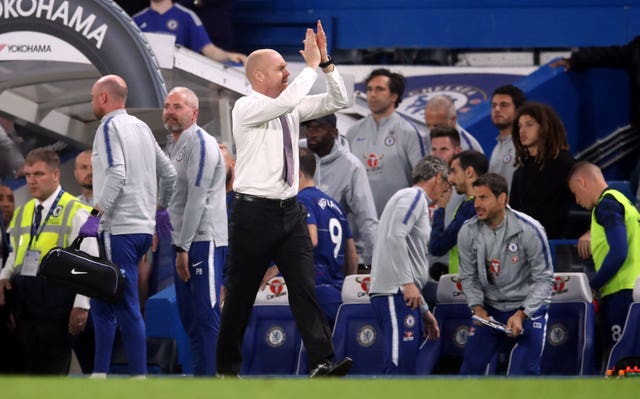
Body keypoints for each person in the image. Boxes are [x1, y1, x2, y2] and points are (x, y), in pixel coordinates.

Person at [217, 20, 352, 377]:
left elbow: (341, 99)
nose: (288, 72)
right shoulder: (246, 107)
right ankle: (226, 371)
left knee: (304, 288)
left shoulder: (290, 106)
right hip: (252, 214)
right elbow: (289, 100)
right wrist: (309, 68)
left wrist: (325, 64)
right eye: (280, 68)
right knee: (241, 296)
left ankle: (322, 361)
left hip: (290, 211)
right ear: (259, 77)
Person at [83, 74, 176, 377]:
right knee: (102, 296)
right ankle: (99, 374)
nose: (93, 102)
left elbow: (117, 174)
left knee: (124, 301)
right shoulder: (142, 127)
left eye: (93, 97)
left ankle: (138, 378)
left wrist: (95, 215)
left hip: (118, 228)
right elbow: (170, 173)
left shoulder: (108, 127)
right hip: (141, 230)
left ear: (104, 98)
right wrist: (158, 209)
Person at [0, 148, 95, 374]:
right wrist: (3, 276)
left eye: (39, 174)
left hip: (57, 300)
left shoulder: (78, 211)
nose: (32, 181)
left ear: (55, 174)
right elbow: (14, 252)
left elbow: (88, 262)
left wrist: (81, 305)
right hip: (25, 302)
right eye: (28, 175)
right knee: (24, 371)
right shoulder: (24, 211)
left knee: (50, 373)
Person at [458, 173, 554, 375]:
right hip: (490, 309)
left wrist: (522, 313)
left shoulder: (530, 230)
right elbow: (468, 276)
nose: (477, 204)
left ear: (502, 198)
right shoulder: (467, 231)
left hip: (528, 309)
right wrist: (477, 307)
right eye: (475, 198)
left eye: (483, 198)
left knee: (524, 372)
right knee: (469, 371)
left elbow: (544, 280)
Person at [163, 86, 228, 376]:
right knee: (189, 317)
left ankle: (213, 382)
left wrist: (183, 247)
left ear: (194, 112)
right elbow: (174, 198)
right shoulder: (174, 146)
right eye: (167, 106)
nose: (170, 112)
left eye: (178, 107)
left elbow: (197, 197)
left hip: (203, 240)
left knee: (206, 315)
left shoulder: (201, 143)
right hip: (182, 241)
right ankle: (201, 377)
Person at [368, 155, 445, 374]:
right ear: (438, 177)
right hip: (395, 293)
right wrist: (407, 283)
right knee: (399, 364)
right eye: (446, 185)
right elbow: (395, 236)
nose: (444, 192)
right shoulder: (415, 195)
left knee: (405, 364)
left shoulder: (408, 198)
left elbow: (406, 251)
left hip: (401, 294)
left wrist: (423, 310)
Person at [567, 161, 640, 362]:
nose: (577, 200)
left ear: (582, 183)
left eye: (575, 192)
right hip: (633, 292)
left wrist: (593, 286)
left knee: (620, 360)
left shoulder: (605, 206)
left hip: (622, 294)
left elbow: (618, 253)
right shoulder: (623, 201)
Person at [346, 68, 426, 217]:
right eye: (369, 89)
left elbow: (423, 179)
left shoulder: (408, 131)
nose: (372, 94)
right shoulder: (353, 131)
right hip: (361, 221)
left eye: (379, 89)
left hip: (398, 219)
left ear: (394, 96)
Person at [301, 113, 378, 268]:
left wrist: (375, 263)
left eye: (319, 128)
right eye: (309, 127)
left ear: (334, 133)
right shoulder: (297, 152)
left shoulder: (351, 166)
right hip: (300, 252)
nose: (312, 133)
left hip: (335, 256)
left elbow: (367, 219)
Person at [296, 147, 357, 325]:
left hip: (315, 292)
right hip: (337, 293)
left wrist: (274, 269)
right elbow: (352, 255)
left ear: (297, 174)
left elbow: (310, 239)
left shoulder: (302, 200)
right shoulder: (335, 205)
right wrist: (347, 286)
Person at [509, 102, 575, 239]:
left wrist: (588, 231)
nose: (522, 130)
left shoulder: (565, 164)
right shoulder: (520, 172)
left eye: (529, 124)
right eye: (519, 126)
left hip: (558, 246)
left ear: (545, 127)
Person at [429, 150, 488, 274]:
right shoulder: (487, 202)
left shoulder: (471, 208)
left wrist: (441, 208)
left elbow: (437, 246)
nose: (450, 179)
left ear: (469, 172)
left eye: (453, 172)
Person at [133, 0, 247, 64]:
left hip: (177, 82)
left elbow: (210, 51)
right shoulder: (136, 20)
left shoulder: (187, 17)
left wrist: (229, 56)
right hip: (149, 83)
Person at [71, 149, 96, 374]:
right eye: (84, 167)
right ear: (75, 173)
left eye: (93, 166)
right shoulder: (70, 208)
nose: (89, 172)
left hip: (105, 296)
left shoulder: (115, 206)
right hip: (75, 296)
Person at [488, 85, 526, 188]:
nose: (497, 109)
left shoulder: (524, 145)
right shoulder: (497, 148)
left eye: (504, 105)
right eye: (493, 105)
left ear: (518, 110)